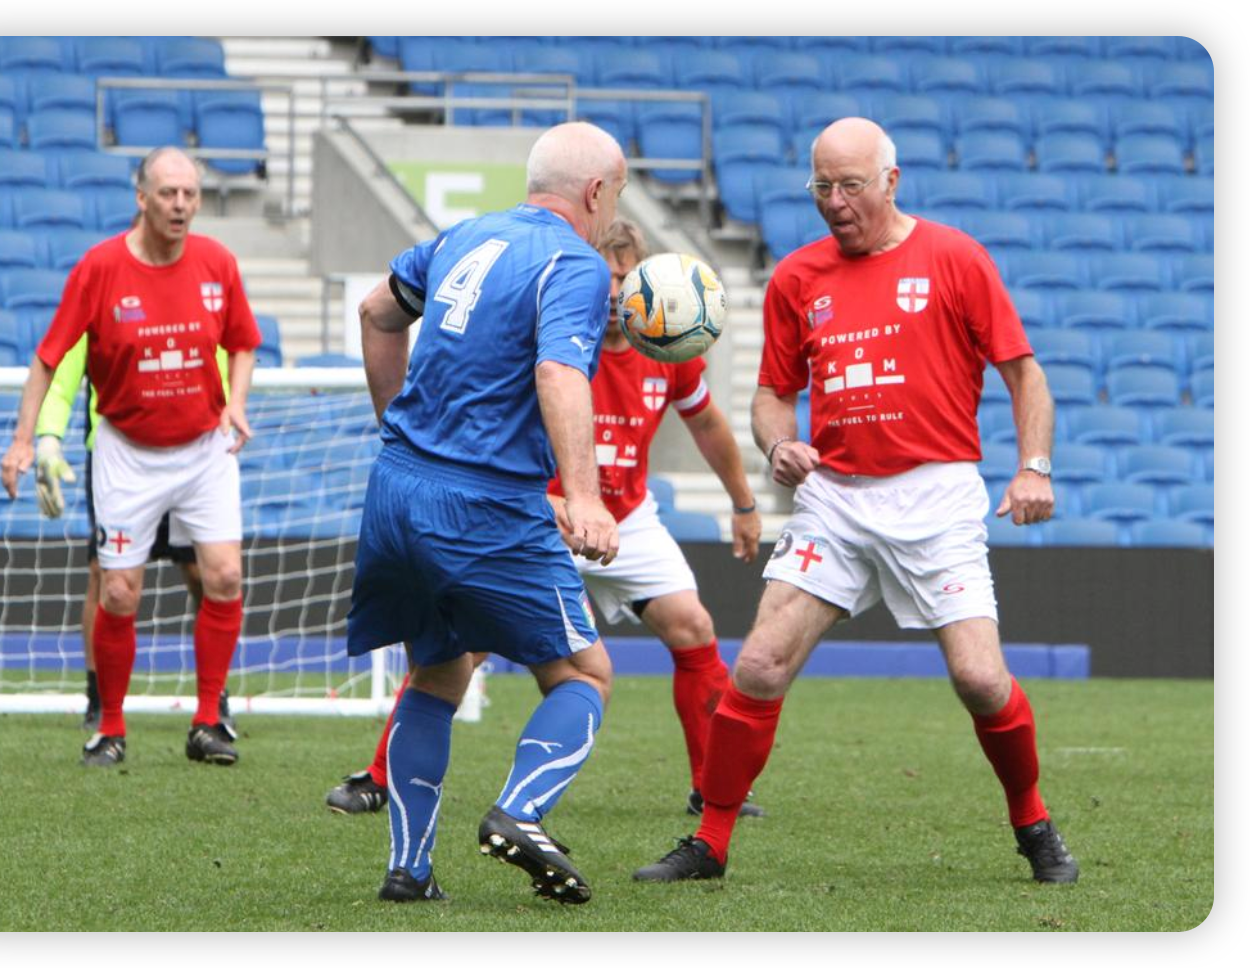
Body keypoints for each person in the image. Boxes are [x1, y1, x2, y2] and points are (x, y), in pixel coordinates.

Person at [634, 117, 1079, 886]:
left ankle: (1032, 821)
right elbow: (772, 397)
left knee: (980, 680)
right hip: (835, 500)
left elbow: (1024, 374)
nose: (835, 202)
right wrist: (779, 444)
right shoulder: (797, 278)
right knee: (760, 663)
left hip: (936, 498)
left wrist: (1033, 467)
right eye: (822, 187)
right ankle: (710, 841)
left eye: (851, 186)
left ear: (891, 181)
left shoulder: (955, 258)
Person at [326, 218, 767, 821]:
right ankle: (378, 777)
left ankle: (712, 788)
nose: (614, 292)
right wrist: (555, 501)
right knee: (463, 649)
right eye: (606, 277)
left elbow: (709, 424)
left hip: (626, 516)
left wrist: (743, 504)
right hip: (541, 511)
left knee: (692, 626)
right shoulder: (560, 329)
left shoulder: (667, 349)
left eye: (625, 278)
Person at [346, 121, 625, 904]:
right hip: (485, 502)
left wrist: (396, 426)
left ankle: (409, 870)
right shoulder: (575, 262)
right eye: (617, 192)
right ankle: (521, 812)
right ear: (595, 192)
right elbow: (560, 374)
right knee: (584, 673)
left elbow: (376, 312)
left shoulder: (464, 235)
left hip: (397, 489)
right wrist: (584, 496)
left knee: (437, 673)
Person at [1, 146, 259, 768]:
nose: (181, 204)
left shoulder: (218, 263)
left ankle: (209, 721)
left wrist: (236, 403)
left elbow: (243, 343)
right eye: (169, 193)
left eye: (190, 193)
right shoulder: (100, 268)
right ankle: (109, 727)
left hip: (204, 449)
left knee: (224, 576)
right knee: (118, 590)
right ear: (141, 198)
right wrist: (26, 439)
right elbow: (49, 359)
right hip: (126, 453)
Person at [33, 335, 234, 733]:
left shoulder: (198, 307)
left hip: (191, 454)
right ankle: (99, 698)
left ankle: (215, 697)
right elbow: (61, 376)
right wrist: (47, 440)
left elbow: (223, 361)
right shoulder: (102, 308)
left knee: (205, 574)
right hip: (117, 460)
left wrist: (226, 414)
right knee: (106, 577)